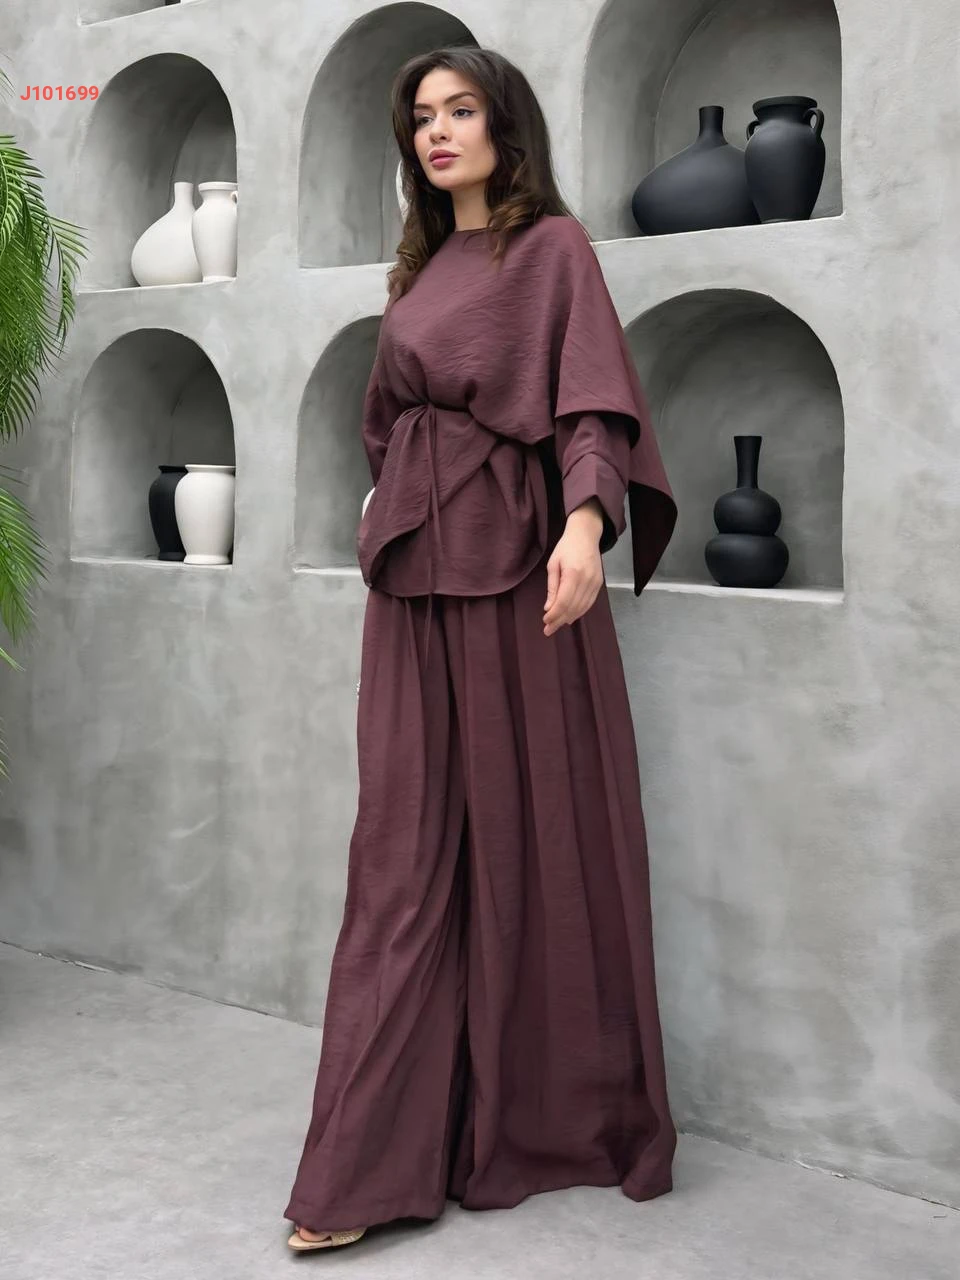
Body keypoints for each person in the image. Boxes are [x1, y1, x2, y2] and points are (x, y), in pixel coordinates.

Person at [283, 45, 679, 1254]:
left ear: (505, 124)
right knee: (404, 854)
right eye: (422, 117)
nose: (439, 131)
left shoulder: (552, 249)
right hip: (416, 572)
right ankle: (367, 1162)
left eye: (461, 110)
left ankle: (527, 1119)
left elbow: (591, 401)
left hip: (519, 570)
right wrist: (391, 506)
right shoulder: (418, 269)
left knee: (529, 835)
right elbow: (386, 424)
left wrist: (584, 524)